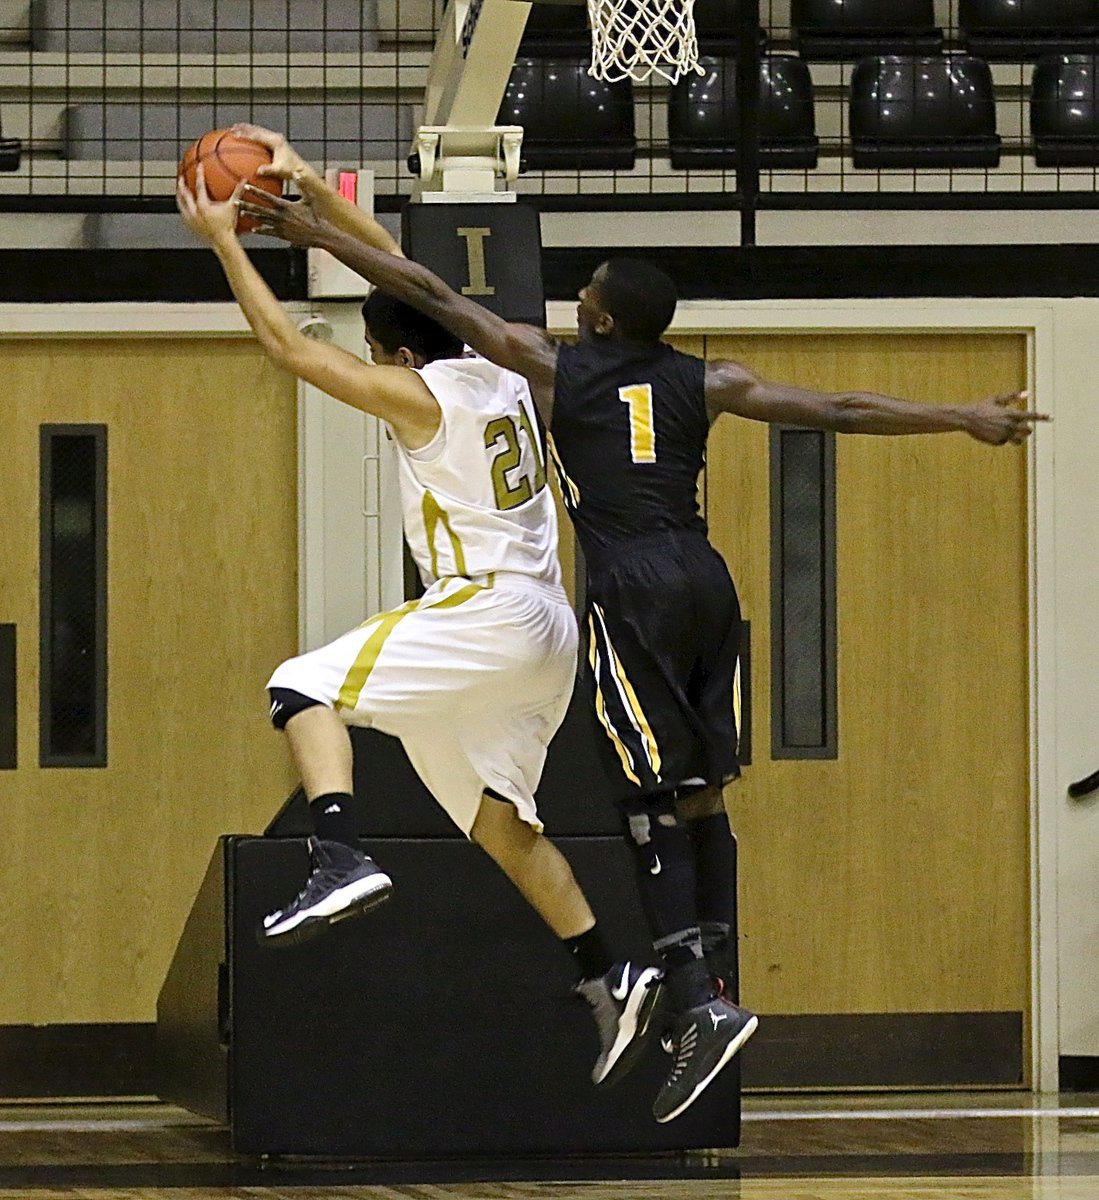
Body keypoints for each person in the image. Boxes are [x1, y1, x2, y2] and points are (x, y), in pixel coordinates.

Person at [232, 125, 1047, 1123]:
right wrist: (961, 416)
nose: (571, 307)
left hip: (606, 592)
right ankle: (642, 977)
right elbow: (831, 404)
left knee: (631, 796)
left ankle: (682, 993)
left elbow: (428, 291)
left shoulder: (544, 369)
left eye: (585, 302)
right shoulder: (687, 378)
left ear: (604, 321)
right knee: (665, 801)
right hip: (703, 580)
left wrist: (291, 225)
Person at [175, 163, 667, 1093]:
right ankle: (607, 971)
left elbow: (292, 351)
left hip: (483, 609)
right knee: (500, 822)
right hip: (547, 624)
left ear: (399, 358)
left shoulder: (421, 395)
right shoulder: (506, 358)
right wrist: (316, 189)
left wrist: (227, 243)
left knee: (299, 685)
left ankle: (339, 851)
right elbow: (405, 272)